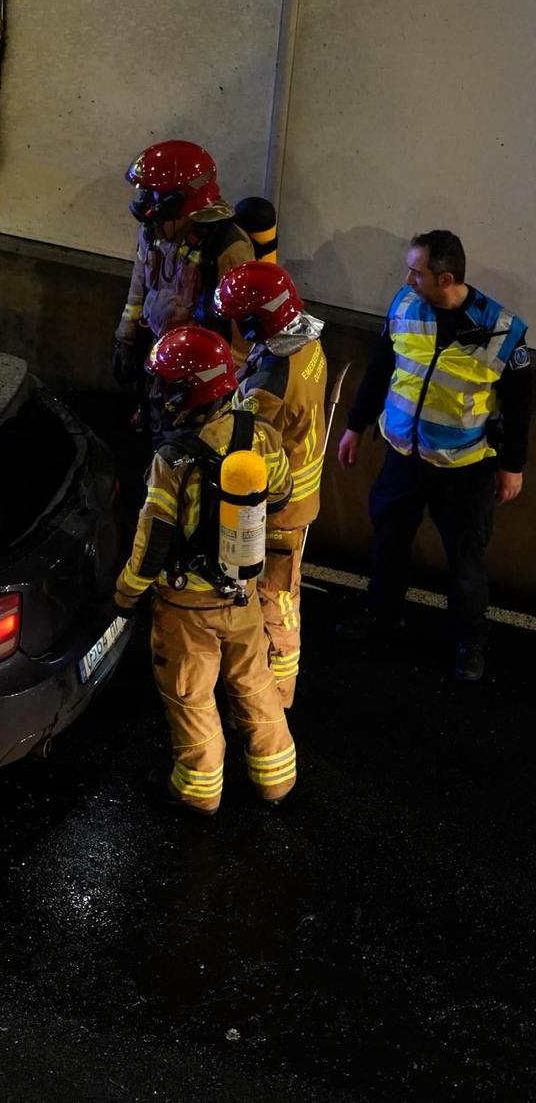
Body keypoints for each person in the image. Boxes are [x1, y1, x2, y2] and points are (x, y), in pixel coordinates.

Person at [114, 326, 295, 814]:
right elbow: (280, 493)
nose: (158, 395)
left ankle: (198, 792)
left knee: (191, 700)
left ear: (188, 392)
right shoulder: (257, 435)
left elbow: (151, 546)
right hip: (242, 595)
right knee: (255, 686)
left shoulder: (172, 461)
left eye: (166, 386)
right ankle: (275, 781)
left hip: (185, 607)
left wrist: (125, 595)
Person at [336, 230, 529, 680]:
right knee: (388, 541)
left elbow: (520, 408)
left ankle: (470, 643)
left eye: (416, 271)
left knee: (465, 561)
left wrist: (512, 466)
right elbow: (380, 368)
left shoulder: (501, 331)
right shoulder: (405, 307)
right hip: (403, 456)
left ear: (444, 278)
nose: (407, 278)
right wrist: (354, 425)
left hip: (464, 468)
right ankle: (383, 614)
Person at [214, 261, 328, 708]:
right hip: (300, 499)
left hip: (280, 512)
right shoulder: (306, 340)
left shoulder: (269, 386)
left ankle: (278, 693)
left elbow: (245, 454)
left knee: (276, 598)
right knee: (282, 593)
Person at [112, 140, 255, 441]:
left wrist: (227, 390)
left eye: (154, 193)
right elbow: (140, 282)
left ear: (181, 198)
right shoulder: (153, 229)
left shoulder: (228, 246)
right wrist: (125, 335)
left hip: (199, 378)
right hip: (158, 357)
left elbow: (241, 334)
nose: (145, 201)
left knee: (180, 452)